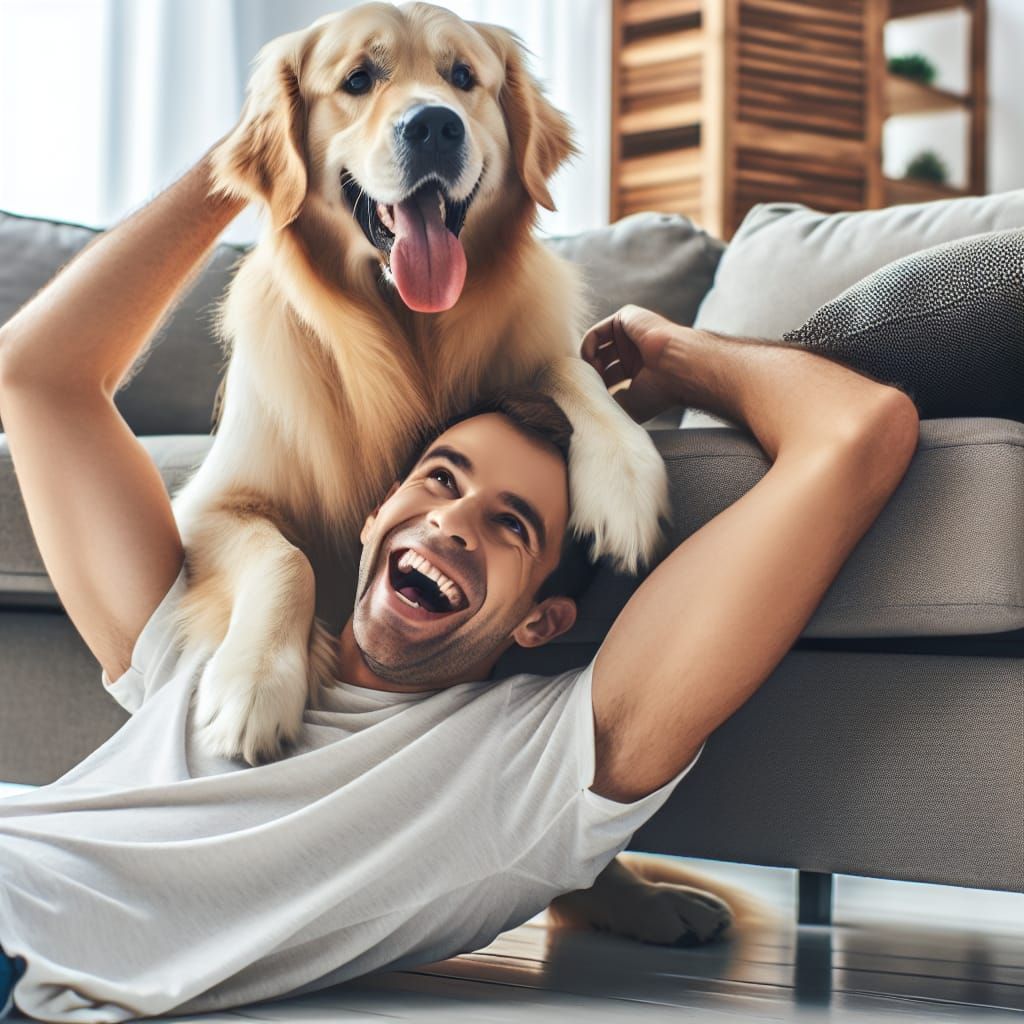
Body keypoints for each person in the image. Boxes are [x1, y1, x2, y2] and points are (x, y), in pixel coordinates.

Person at [0, 141, 917, 1021]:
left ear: (540, 618)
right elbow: (38, 377)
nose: (452, 521)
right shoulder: (200, 649)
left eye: (510, 524)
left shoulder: (540, 765)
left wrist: (672, 353)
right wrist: (245, 161)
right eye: (440, 478)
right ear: (372, 520)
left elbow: (858, 433)